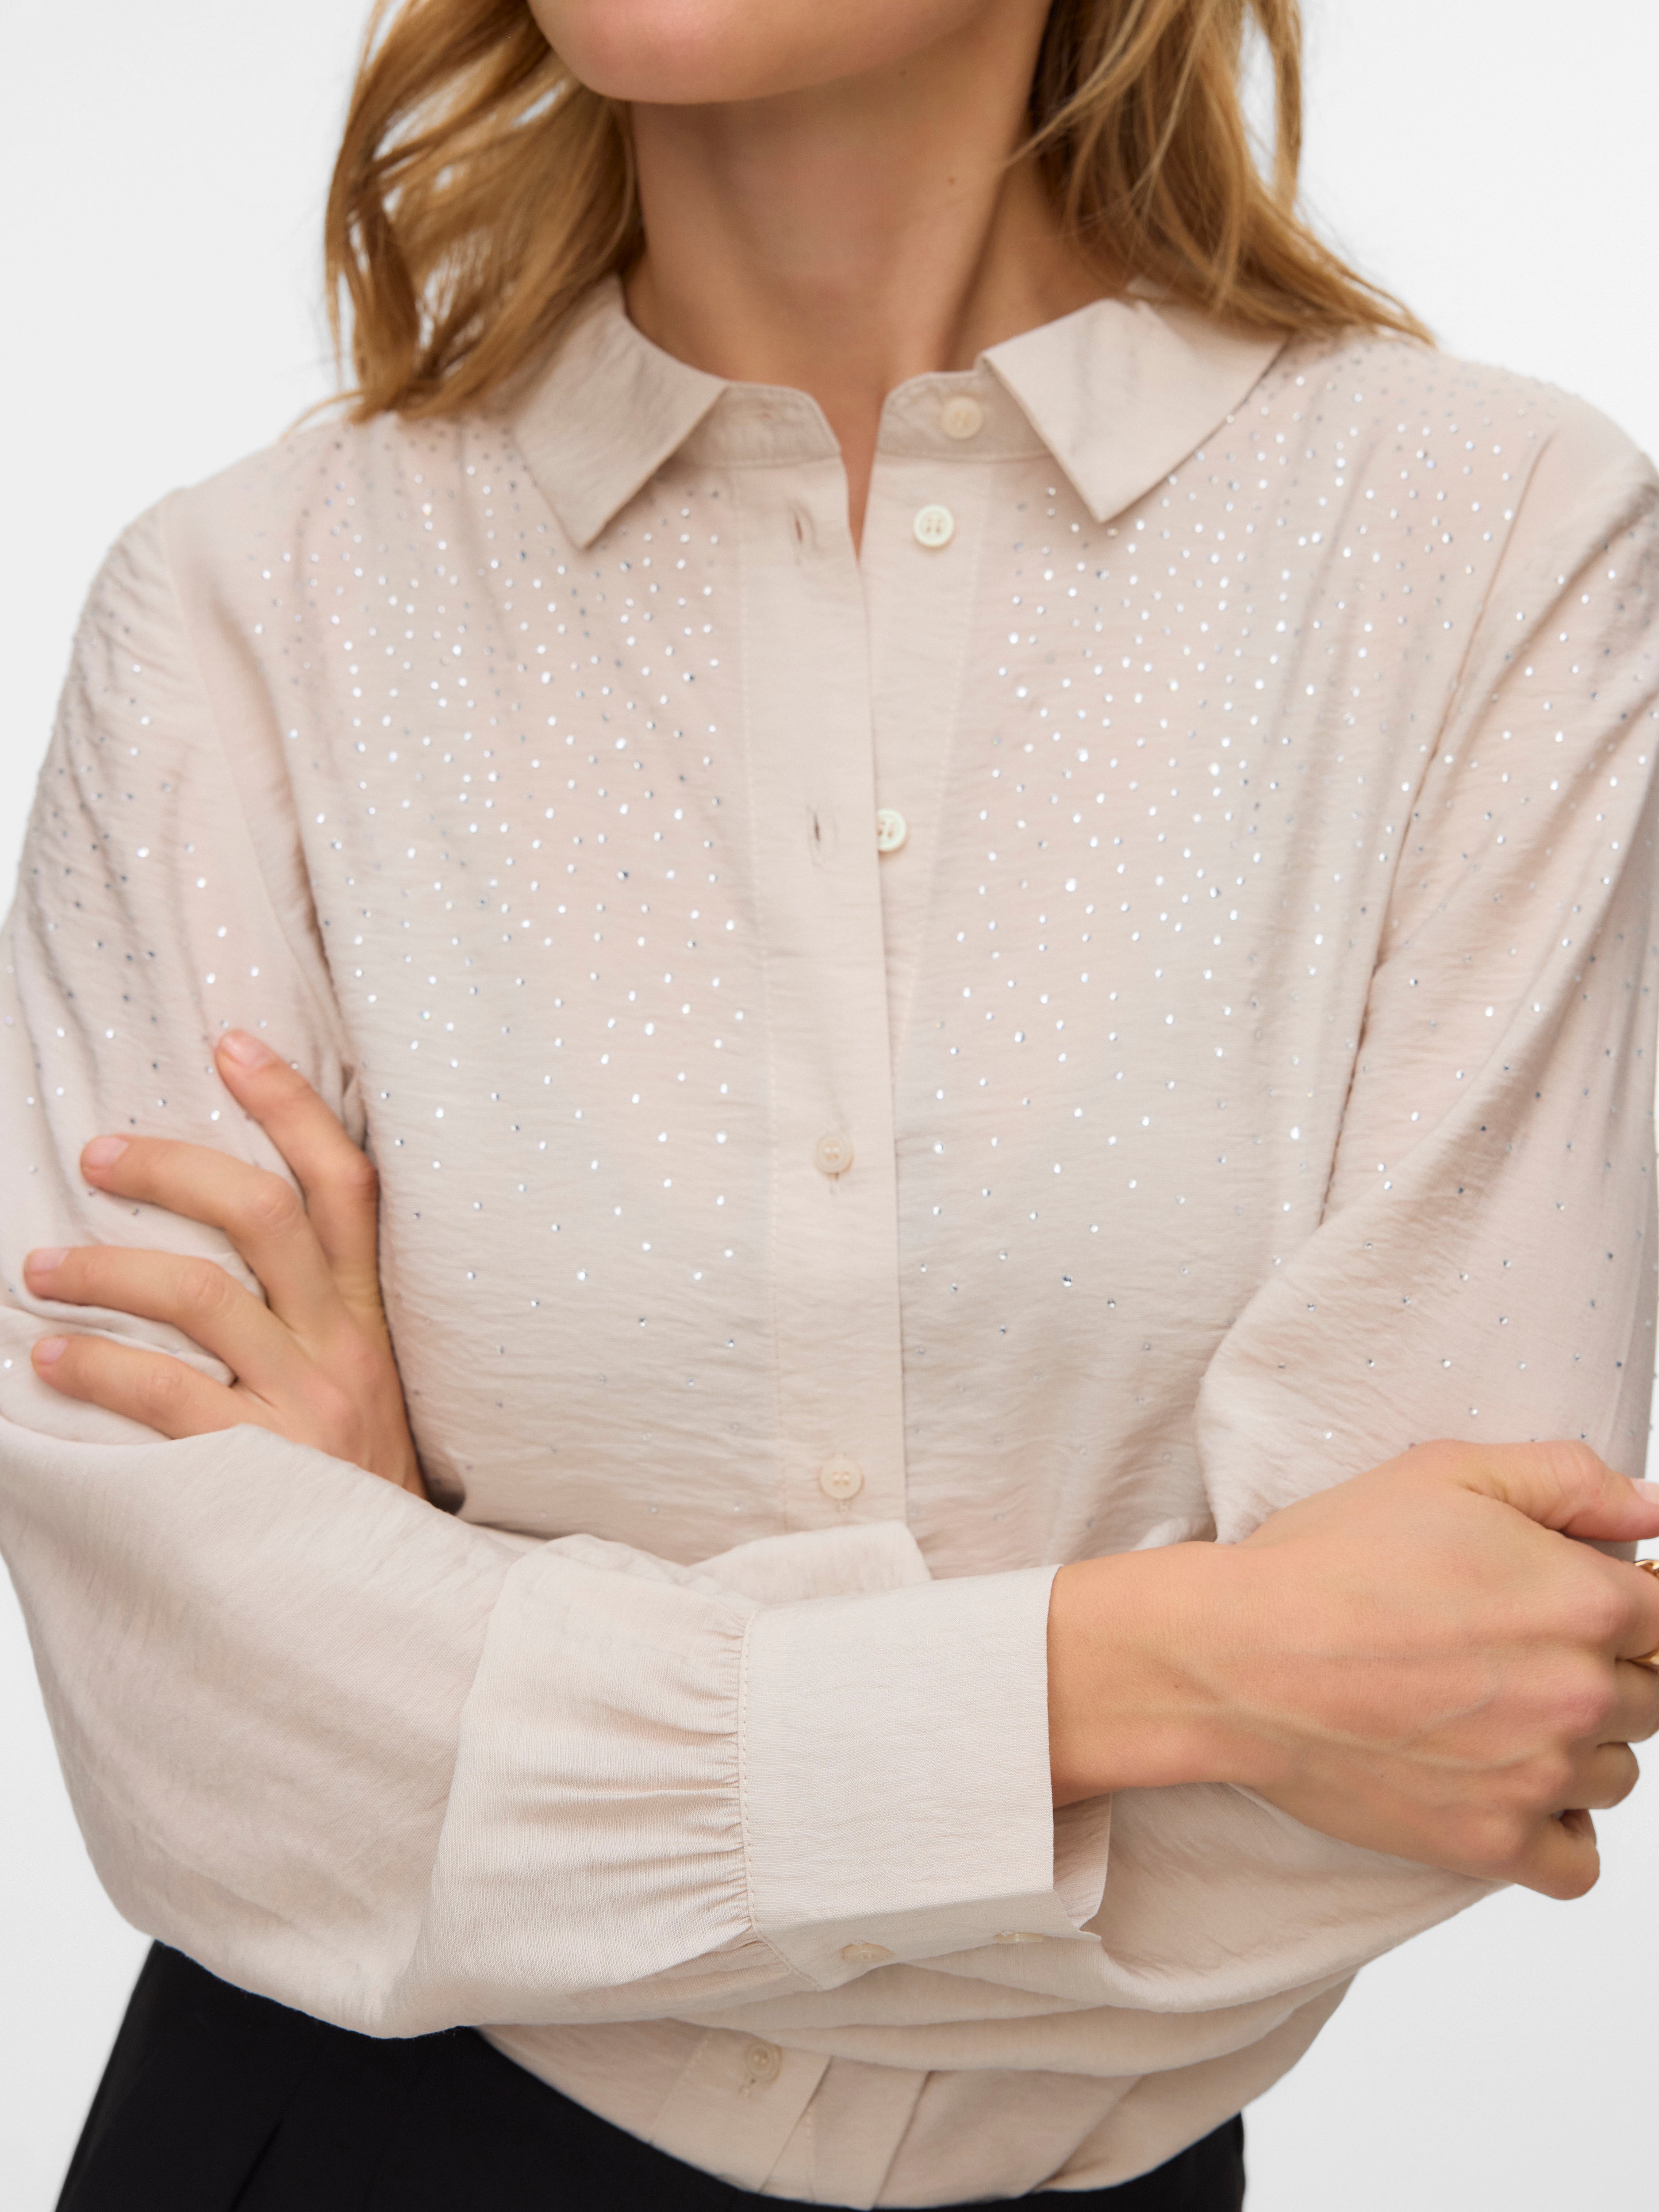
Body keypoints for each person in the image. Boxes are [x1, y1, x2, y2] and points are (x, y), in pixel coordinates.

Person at [4, 0, 1659, 2205]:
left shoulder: (1489, 549)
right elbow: (212, 1739)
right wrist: (1155, 1668)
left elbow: (1445, 1723)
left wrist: (446, 1639)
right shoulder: (247, 608)